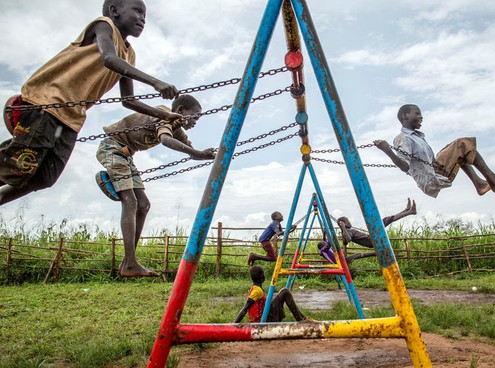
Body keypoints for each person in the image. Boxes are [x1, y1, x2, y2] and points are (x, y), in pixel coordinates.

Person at [0, 0, 181, 206]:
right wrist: (155, 82)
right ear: (114, 10)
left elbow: (128, 101)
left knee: (45, 177)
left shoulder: (129, 56)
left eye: (145, 15)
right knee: (18, 164)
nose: (143, 19)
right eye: (138, 11)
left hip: (71, 119)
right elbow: (109, 59)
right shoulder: (103, 25)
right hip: (47, 103)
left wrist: (165, 115)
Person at [95, 95, 215, 278]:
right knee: (130, 201)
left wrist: (205, 154)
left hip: (126, 156)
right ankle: (131, 262)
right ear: (181, 110)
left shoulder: (175, 127)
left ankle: (128, 261)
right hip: (112, 148)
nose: (196, 121)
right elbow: (166, 140)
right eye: (195, 116)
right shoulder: (164, 116)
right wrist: (196, 153)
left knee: (143, 205)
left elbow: (189, 148)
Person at [374, 104, 495, 198]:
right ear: (405, 116)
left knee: (458, 150)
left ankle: (480, 184)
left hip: (434, 169)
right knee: (462, 144)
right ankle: (494, 180)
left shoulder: (417, 137)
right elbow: (404, 166)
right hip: (433, 177)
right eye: (417, 113)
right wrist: (387, 150)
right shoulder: (403, 139)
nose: (421, 117)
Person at [337, 198, 417, 263]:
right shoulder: (347, 232)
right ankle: (409, 212)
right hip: (371, 240)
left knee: (386, 220)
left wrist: (343, 228)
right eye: (348, 221)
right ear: (344, 224)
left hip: (371, 239)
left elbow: (345, 241)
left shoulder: (347, 232)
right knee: (384, 221)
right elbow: (348, 240)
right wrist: (343, 227)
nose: (350, 222)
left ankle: (407, 211)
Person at [233, 265, 310, 323]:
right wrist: (233, 325)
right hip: (263, 322)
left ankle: (304, 319)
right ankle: (301, 320)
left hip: (265, 317)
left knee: (283, 293)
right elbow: (245, 308)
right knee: (285, 292)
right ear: (262, 276)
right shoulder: (257, 291)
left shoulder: (255, 288)